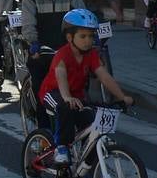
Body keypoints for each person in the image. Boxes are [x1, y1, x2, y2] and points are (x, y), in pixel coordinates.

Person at [39, 9, 135, 169]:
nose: (88, 41)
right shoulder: (63, 55)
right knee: (64, 109)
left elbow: (104, 76)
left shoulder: (91, 55)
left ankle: (85, 167)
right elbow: (61, 76)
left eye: (91, 36)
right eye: (82, 36)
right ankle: (61, 148)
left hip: (77, 96)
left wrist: (122, 97)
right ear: (70, 37)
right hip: (54, 93)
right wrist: (67, 97)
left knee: (90, 122)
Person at [21, 0, 86, 97]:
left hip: (67, 50)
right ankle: (40, 117)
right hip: (42, 51)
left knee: (80, 85)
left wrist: (91, 38)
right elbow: (28, 24)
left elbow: (83, 17)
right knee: (41, 91)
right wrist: (33, 43)